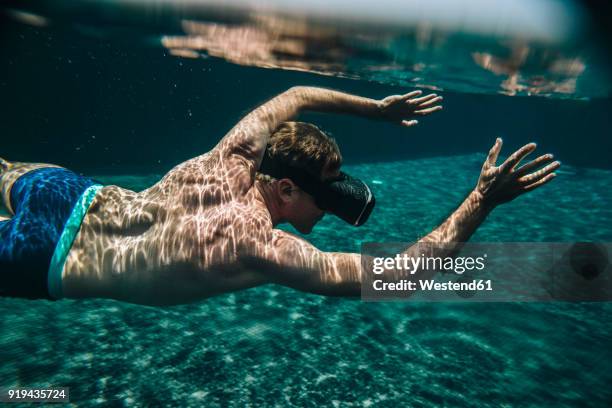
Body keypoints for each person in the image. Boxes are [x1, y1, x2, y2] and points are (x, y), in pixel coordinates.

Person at [0, 86, 559, 305]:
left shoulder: (232, 155)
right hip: (46, 257)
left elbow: (294, 96)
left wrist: (377, 110)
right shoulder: (257, 244)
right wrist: (481, 200)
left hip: (70, 192)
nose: (332, 206)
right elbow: (397, 275)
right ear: (286, 188)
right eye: (324, 195)